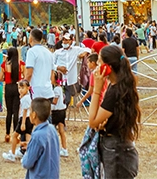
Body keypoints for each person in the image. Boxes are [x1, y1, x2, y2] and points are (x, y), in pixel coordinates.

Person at [88, 45, 141, 179]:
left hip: (117, 152)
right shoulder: (121, 85)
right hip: (121, 148)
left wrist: (97, 89)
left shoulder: (115, 91)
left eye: (99, 62)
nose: (96, 67)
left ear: (107, 67)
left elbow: (92, 121)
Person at [21, 98, 60, 179]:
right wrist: (30, 145)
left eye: (30, 111)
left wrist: (26, 154)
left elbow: (27, 163)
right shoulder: (52, 129)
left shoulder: (37, 136)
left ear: (34, 115)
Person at [54, 34, 87, 110]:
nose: (65, 42)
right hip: (59, 80)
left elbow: (88, 49)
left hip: (70, 80)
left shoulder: (75, 50)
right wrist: (58, 68)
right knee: (58, 99)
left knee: (67, 99)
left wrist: (83, 54)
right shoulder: (57, 52)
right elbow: (51, 63)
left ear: (71, 41)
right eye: (64, 40)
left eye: (67, 40)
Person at [4, 80, 33, 162]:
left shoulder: (25, 98)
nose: (20, 90)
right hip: (29, 119)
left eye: (22, 88)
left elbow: (24, 111)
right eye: (19, 88)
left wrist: (23, 123)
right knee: (28, 137)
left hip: (24, 119)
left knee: (14, 136)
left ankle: (12, 154)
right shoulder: (28, 97)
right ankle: (28, 155)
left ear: (28, 88)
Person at [25, 28, 55, 101]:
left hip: (36, 91)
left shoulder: (31, 52)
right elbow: (52, 73)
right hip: (48, 91)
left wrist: (25, 86)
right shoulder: (48, 52)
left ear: (31, 38)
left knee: (36, 112)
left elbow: (29, 73)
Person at [2, 46, 22, 143]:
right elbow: (24, 77)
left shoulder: (4, 65)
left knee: (9, 112)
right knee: (16, 112)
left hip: (8, 87)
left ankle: (7, 134)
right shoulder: (21, 64)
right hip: (17, 87)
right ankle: (16, 134)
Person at [50, 80, 68, 158]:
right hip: (62, 110)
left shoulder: (56, 89)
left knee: (51, 131)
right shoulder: (61, 88)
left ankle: (52, 149)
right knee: (61, 131)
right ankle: (64, 148)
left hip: (56, 112)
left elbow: (55, 101)